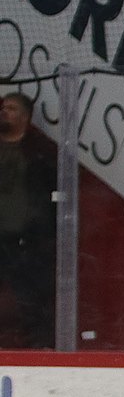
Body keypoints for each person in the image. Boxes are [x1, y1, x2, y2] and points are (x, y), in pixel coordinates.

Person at [0, 91, 56, 348]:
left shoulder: (38, 153)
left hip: (25, 241)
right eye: (3, 107)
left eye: (11, 108)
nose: (4, 112)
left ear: (25, 116)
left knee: (30, 298)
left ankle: (37, 350)